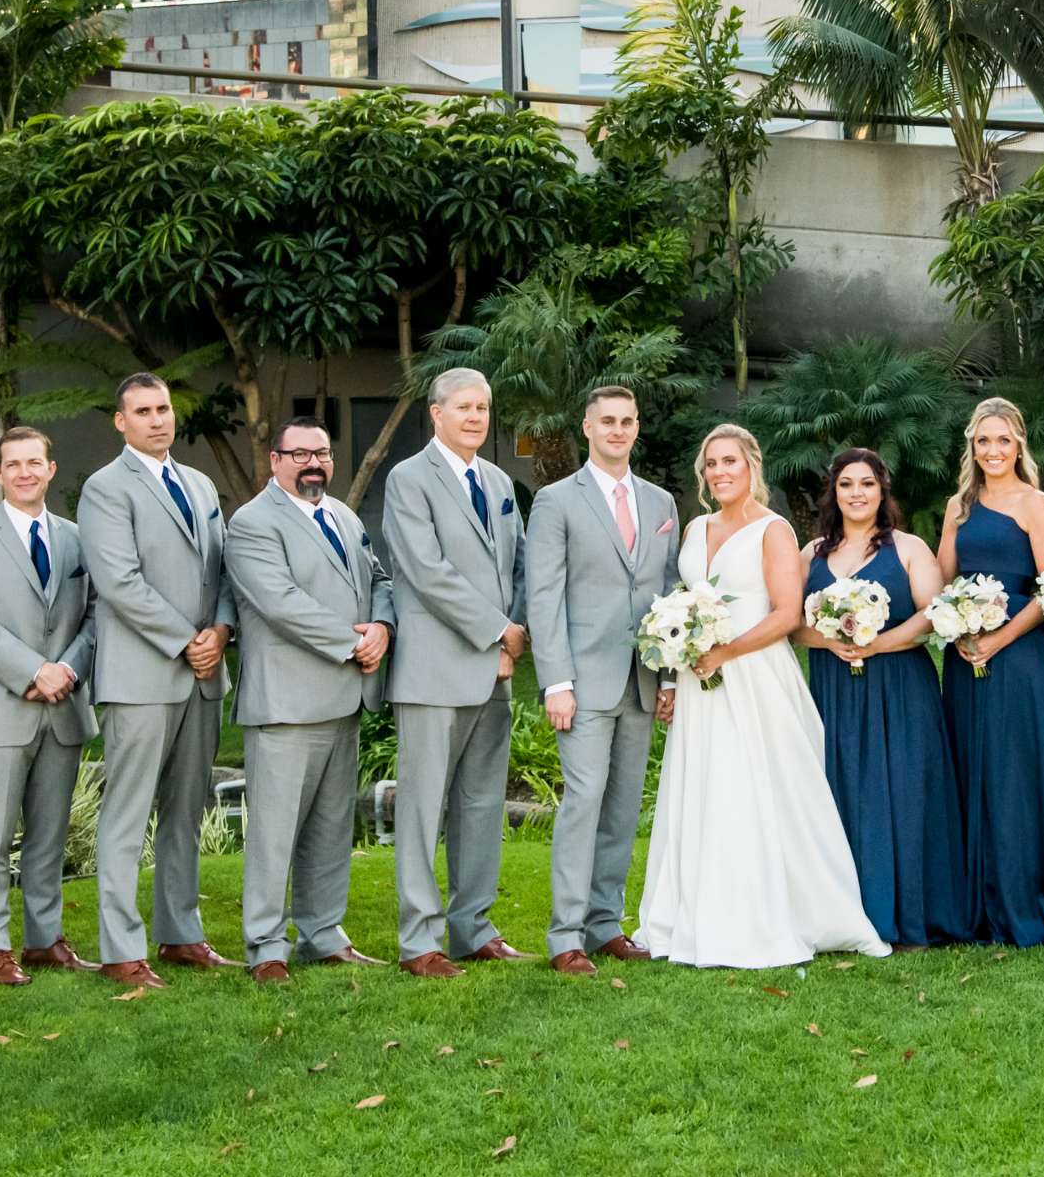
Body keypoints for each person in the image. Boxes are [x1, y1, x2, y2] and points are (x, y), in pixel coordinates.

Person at [637, 425, 889, 968]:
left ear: (752, 465)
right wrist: (678, 653)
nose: (719, 472)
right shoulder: (695, 528)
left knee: (759, 788)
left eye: (729, 461)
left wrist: (726, 652)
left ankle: (775, 914)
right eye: (710, 464)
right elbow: (687, 600)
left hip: (753, 676)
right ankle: (695, 911)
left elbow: (786, 614)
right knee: (704, 787)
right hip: (700, 680)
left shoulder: (772, 530)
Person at [77, 372, 239, 990]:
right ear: (121, 422)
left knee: (184, 813)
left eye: (164, 408)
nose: (157, 419)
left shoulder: (198, 485)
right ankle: (122, 949)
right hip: (143, 676)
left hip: (203, 674)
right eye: (142, 411)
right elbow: (118, 582)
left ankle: (180, 934)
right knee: (126, 813)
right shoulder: (105, 489)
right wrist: (185, 640)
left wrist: (219, 634)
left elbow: (225, 571)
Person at [226, 417, 395, 982]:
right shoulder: (252, 524)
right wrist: (353, 642)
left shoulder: (343, 517)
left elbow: (380, 581)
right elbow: (279, 602)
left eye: (320, 453)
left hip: (343, 698)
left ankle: (322, 933)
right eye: (298, 454)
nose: (312, 463)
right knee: (275, 833)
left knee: (329, 826)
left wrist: (383, 629)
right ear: (275, 460)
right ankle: (266, 946)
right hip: (287, 703)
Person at [524, 385, 680, 976]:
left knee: (620, 809)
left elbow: (667, 594)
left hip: (641, 681)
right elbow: (544, 596)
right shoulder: (557, 501)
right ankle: (565, 935)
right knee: (583, 802)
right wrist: (555, 680)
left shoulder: (662, 502)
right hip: (583, 682)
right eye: (607, 421)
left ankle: (605, 924)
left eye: (627, 421)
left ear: (637, 427)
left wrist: (667, 679)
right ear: (586, 427)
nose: (618, 430)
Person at [380, 367, 528, 976]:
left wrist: (513, 635)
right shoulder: (408, 479)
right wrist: (496, 630)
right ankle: (420, 939)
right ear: (436, 414)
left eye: (484, 408)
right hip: (436, 671)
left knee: (481, 803)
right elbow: (425, 568)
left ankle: (474, 927)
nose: (475, 417)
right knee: (422, 808)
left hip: (495, 670)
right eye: (463, 407)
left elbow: (519, 563)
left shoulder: (495, 480)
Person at [796, 448, 974, 949]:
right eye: (847, 484)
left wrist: (878, 642)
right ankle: (847, 917)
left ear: (882, 490)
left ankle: (913, 915)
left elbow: (933, 613)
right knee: (843, 791)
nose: (856, 493)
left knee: (906, 793)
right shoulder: (811, 554)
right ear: (833, 491)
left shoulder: (910, 548)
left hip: (901, 686)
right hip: (835, 690)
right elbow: (791, 624)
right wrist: (830, 639)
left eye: (867, 484)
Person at [0, 428, 99, 986]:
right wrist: (35, 671)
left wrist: (67, 670)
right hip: (2, 711)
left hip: (64, 708)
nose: (26, 472)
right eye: (14, 464)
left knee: (48, 835)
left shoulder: (80, 540)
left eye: (35, 462)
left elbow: (95, 616)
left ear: (51, 469)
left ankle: (43, 940)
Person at [934, 398, 1044, 947]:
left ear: (1019, 443)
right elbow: (943, 576)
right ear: (971, 446)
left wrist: (998, 637)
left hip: (1017, 653)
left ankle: (1024, 896)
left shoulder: (1034, 504)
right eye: (983, 441)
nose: (993, 451)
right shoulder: (959, 505)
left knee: (1017, 770)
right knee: (973, 764)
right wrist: (956, 620)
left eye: (1003, 440)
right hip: (965, 648)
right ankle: (977, 900)